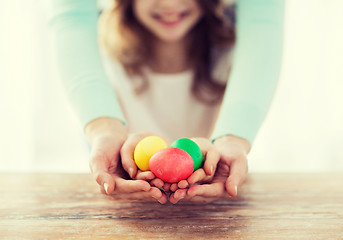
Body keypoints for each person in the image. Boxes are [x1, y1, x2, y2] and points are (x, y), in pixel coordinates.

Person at [45, 0, 284, 204]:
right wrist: (104, 131)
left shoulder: (235, 59)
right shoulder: (101, 60)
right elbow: (71, 17)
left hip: (212, 208)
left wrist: (232, 141)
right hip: (130, 210)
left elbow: (263, 22)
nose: (169, 3)